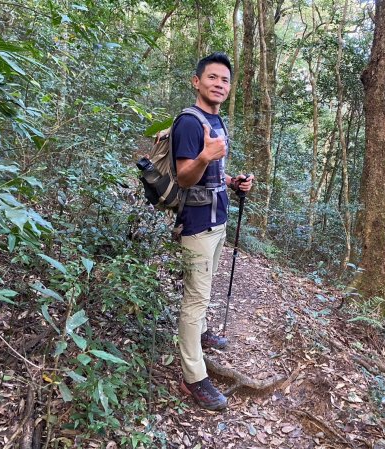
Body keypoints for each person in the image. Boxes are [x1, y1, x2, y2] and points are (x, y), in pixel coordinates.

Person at [172, 52, 253, 411]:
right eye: (212, 78)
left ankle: (202, 333)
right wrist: (204, 157)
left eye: (224, 80)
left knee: (203, 292)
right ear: (197, 81)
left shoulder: (216, 121)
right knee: (195, 300)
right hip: (198, 224)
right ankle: (194, 377)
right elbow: (185, 175)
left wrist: (234, 182)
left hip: (218, 218)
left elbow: (211, 174)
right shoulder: (190, 122)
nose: (219, 84)